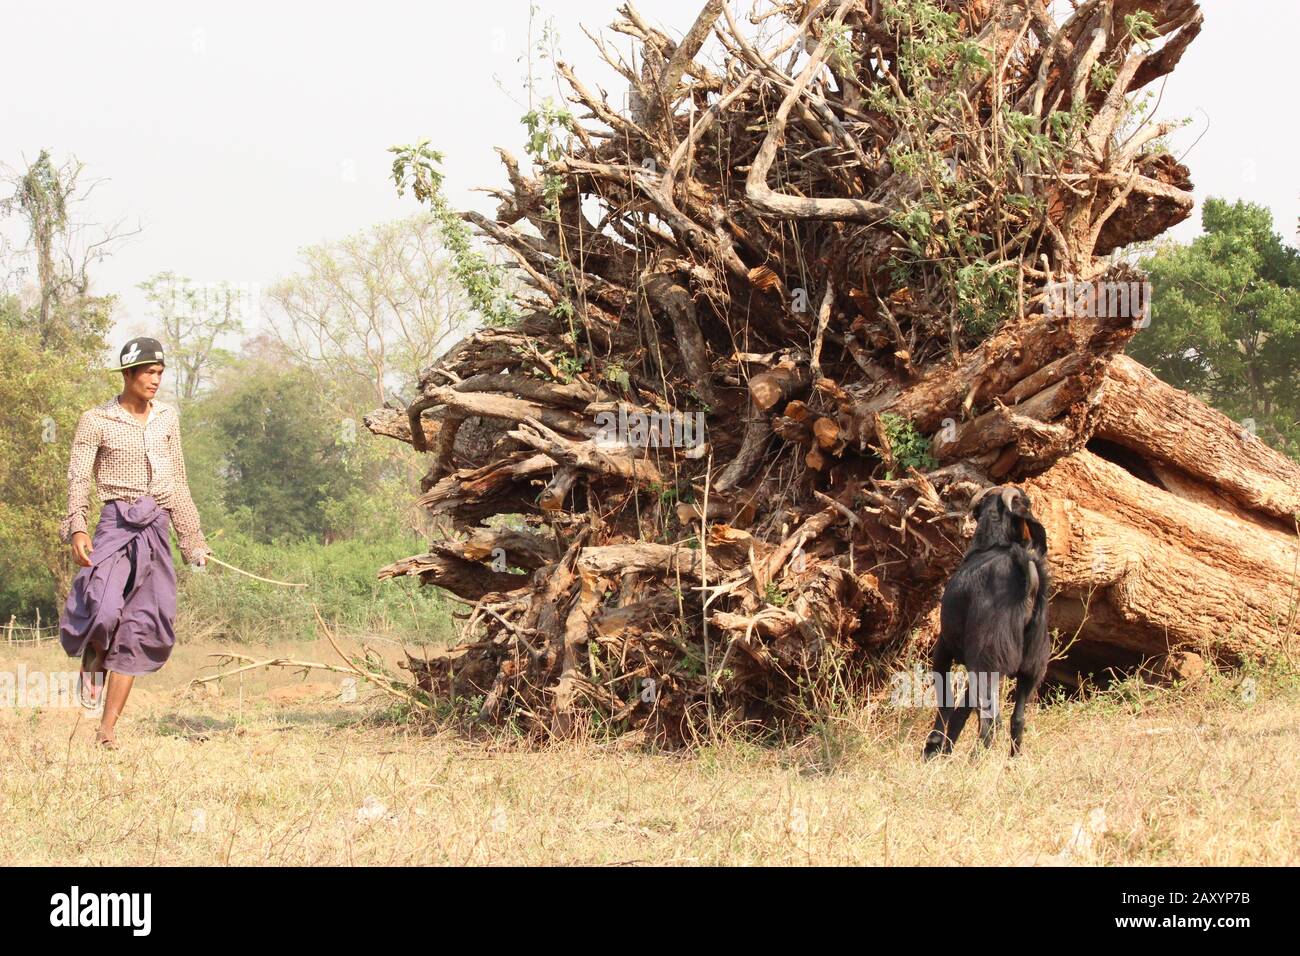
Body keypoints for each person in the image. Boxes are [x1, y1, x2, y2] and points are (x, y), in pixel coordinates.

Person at [57, 337, 211, 748]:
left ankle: (106, 729)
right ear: (127, 374)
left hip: (156, 527)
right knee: (104, 611)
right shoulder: (96, 420)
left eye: (160, 373)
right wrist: (77, 527)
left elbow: (178, 481)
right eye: (148, 373)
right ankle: (93, 653)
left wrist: (192, 540)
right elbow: (78, 478)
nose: (155, 380)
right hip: (114, 524)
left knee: (138, 629)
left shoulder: (167, 419)